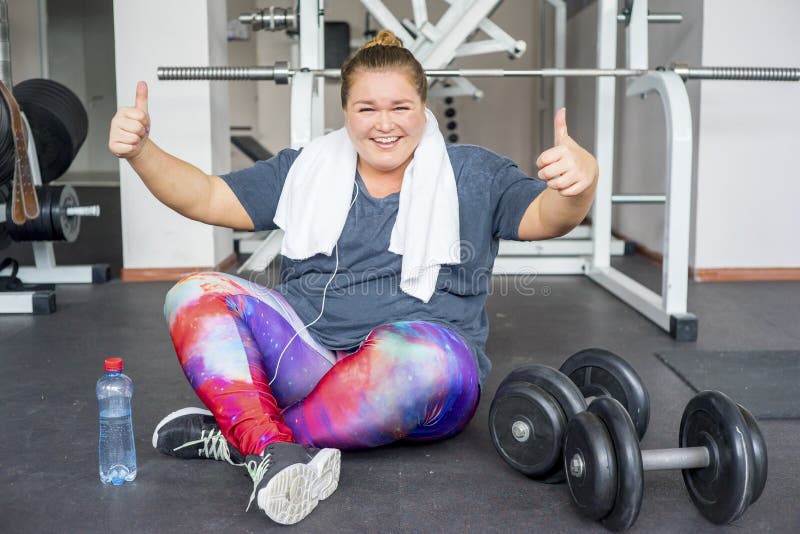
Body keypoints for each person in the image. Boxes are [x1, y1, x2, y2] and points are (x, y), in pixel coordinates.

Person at [108, 30, 598, 525]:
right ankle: (268, 448)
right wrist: (142, 153)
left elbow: (546, 217)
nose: (384, 124)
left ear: (422, 108)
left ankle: (247, 437)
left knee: (425, 359)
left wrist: (580, 186)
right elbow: (209, 197)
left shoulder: (473, 173)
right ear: (346, 114)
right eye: (366, 109)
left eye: (400, 107)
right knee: (195, 292)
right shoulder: (306, 169)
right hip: (307, 359)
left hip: (420, 382)